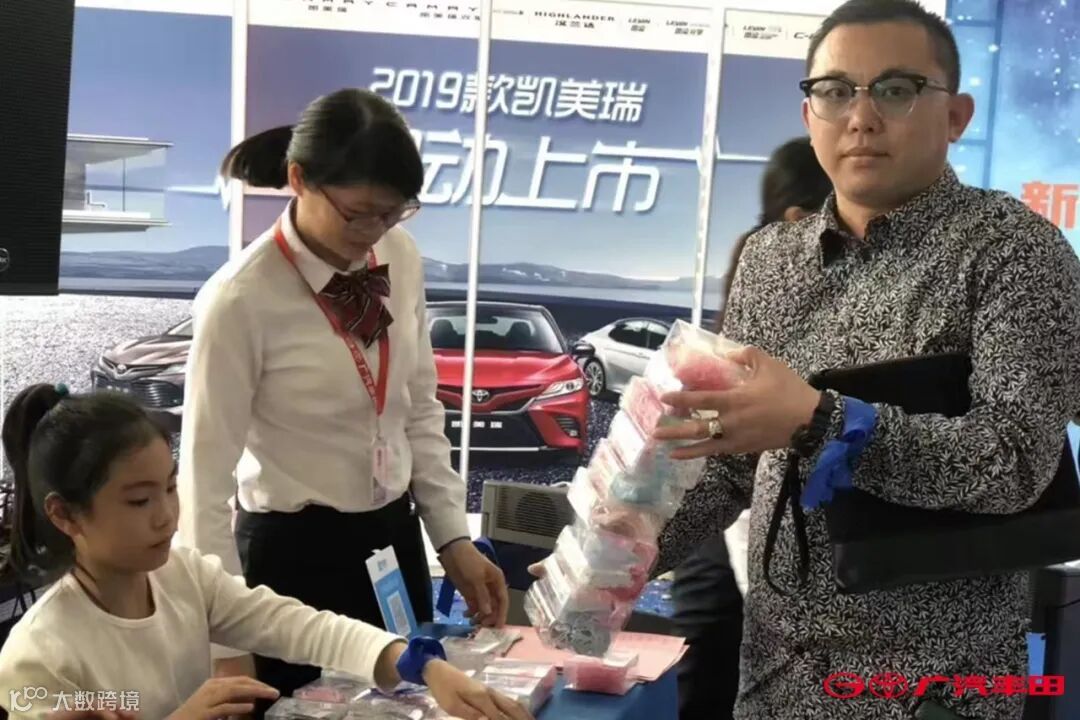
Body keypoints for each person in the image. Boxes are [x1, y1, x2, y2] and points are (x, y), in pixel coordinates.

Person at [652, 1, 1080, 718]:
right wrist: (628, 552)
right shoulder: (771, 260)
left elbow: (1013, 464)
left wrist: (820, 421)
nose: (861, 117)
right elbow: (732, 462)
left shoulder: (1014, 251)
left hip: (934, 690)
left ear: (956, 116)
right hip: (776, 679)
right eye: (835, 91)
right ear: (809, 112)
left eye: (896, 89)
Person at [177, 88, 507, 707]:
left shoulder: (398, 257)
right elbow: (203, 482)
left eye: (393, 213)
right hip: (291, 566)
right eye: (358, 214)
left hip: (392, 544)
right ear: (299, 180)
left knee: (411, 706)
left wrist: (451, 538)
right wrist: (224, 641)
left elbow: (418, 406)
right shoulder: (240, 299)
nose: (374, 232)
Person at [0, 385, 533, 720]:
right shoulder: (39, 656)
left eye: (170, 487)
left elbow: (300, 626)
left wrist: (420, 663)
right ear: (65, 514)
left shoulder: (185, 578)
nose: (166, 515)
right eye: (139, 500)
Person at [672, 137, 831, 720]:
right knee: (715, 672)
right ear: (797, 216)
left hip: (754, 540)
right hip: (739, 532)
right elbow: (728, 444)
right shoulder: (771, 269)